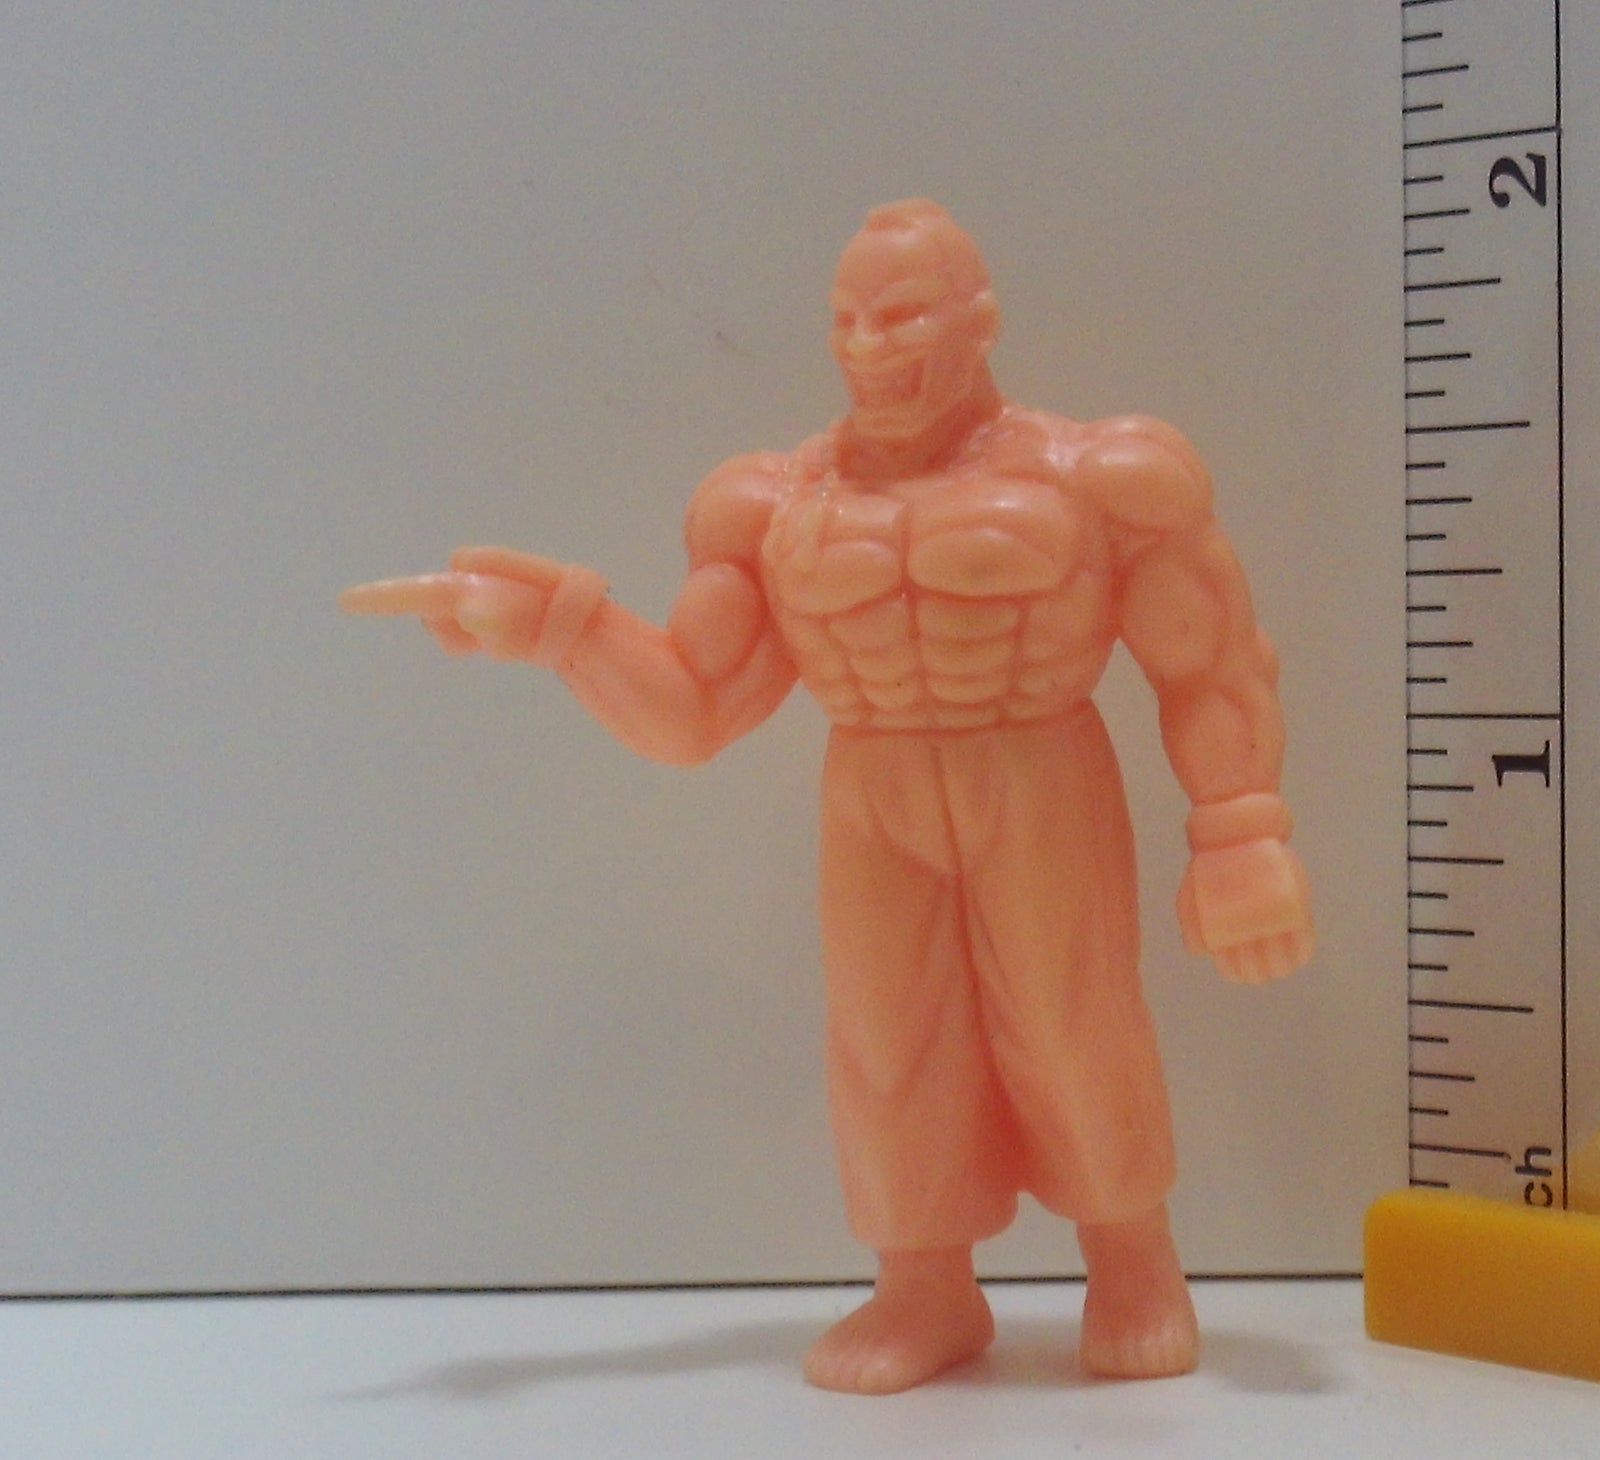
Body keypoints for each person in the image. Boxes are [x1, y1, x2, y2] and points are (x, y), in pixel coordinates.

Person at [344, 199, 1312, 1393]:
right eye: (845, 319)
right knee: (885, 1040)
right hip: (873, 782)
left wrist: (1237, 830)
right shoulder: (769, 503)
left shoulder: (1104, 474)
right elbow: (695, 705)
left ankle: (1131, 1262)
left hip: (1035, 765)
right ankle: (923, 1286)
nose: (866, 345)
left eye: (899, 316)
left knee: (1073, 1019)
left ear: (978, 322)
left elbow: (1206, 656)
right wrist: (563, 629)